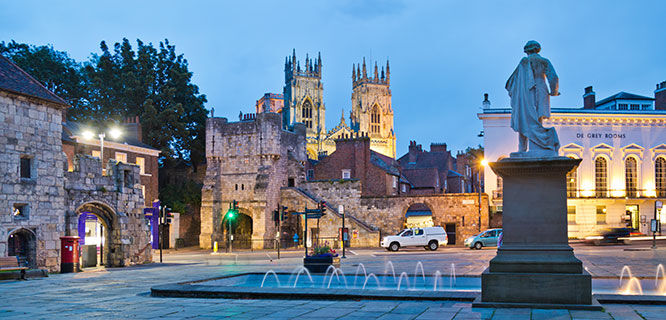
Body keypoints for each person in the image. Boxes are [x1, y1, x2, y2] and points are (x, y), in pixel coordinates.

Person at [505, 40, 560, 157]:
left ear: (527, 50)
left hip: (525, 92)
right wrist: (554, 91)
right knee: (538, 120)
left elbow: (512, 82)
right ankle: (537, 147)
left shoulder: (524, 62)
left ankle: (522, 148)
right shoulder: (544, 61)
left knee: (523, 118)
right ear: (537, 49)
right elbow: (553, 77)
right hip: (541, 89)